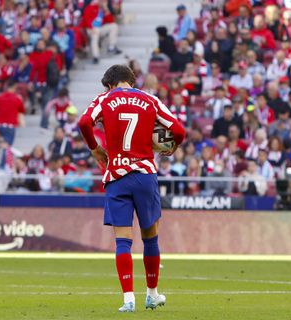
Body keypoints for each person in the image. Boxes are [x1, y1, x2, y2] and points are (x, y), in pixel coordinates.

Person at [78, 64, 185, 312]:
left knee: (123, 242)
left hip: (116, 176)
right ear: (131, 81)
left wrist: (95, 148)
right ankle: (152, 294)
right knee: (151, 238)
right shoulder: (150, 100)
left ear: (110, 84)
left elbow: (84, 123)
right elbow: (178, 130)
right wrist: (173, 147)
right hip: (145, 175)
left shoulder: (104, 99)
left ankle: (128, 299)